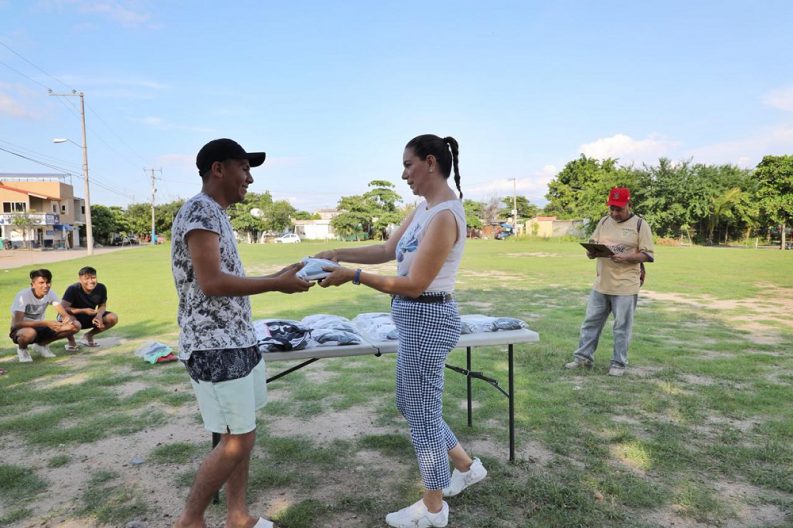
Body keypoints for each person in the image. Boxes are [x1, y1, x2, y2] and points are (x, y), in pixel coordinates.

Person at [315, 134, 486, 528]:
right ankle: (465, 466)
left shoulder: (446, 215)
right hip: (413, 319)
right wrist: (337, 254)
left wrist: (353, 276)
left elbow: (415, 284)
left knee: (422, 412)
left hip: (429, 317)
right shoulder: (422, 209)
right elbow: (388, 250)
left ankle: (433, 507)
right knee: (411, 404)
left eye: (408, 165)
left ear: (430, 162)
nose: (404, 173)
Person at [171, 138, 313, 528]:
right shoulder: (200, 210)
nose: (249, 178)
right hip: (214, 345)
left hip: (240, 339)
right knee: (238, 439)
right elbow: (212, 282)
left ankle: (238, 516)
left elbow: (223, 277)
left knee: (242, 435)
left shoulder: (215, 213)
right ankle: (190, 520)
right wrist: (275, 283)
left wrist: (279, 276)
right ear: (218, 169)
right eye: (244, 168)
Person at [565, 187, 655, 377]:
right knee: (590, 323)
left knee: (621, 327)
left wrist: (628, 257)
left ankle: (618, 364)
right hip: (601, 284)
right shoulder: (604, 221)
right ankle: (582, 359)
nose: (614, 213)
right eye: (611, 208)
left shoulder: (640, 225)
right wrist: (591, 252)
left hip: (625, 286)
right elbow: (594, 242)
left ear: (629, 205)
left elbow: (648, 255)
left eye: (619, 209)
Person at [9, 268, 80, 362]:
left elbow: (63, 313)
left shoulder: (50, 293)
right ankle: (22, 350)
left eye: (48, 282)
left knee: (75, 326)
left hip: (41, 326)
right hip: (21, 329)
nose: (45, 286)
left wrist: (66, 318)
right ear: (33, 284)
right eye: (41, 283)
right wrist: (46, 323)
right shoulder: (23, 295)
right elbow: (17, 323)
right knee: (29, 333)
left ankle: (41, 345)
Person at [60, 266, 119, 350]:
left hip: (89, 316)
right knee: (70, 319)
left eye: (93, 278)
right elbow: (63, 308)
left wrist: (99, 316)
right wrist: (83, 310)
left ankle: (88, 336)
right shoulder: (73, 289)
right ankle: (71, 341)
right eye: (86, 278)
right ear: (80, 280)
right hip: (73, 316)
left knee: (113, 318)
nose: (91, 281)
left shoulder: (101, 288)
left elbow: (102, 305)